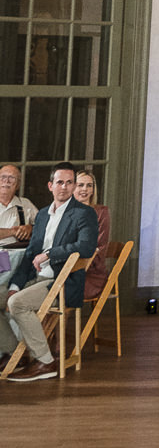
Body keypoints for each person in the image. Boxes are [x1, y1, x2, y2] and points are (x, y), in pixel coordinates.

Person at [0, 162, 98, 382]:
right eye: (60, 182)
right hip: (34, 278)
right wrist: (14, 287)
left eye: (69, 182)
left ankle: (45, 361)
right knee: (6, 297)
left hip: (60, 282)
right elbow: (30, 254)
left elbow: (86, 247)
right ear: (50, 186)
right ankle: (17, 353)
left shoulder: (84, 214)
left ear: (73, 186)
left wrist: (50, 254)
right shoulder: (43, 214)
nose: (64, 187)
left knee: (18, 304)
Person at [72, 169, 112, 303]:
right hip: (65, 268)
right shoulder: (65, 212)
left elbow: (98, 249)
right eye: (80, 185)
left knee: (59, 289)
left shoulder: (101, 212)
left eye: (89, 185)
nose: (85, 189)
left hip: (90, 273)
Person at [0, 163, 37, 292]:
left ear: (18, 184)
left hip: (20, 256)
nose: (6, 181)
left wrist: (30, 228)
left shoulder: (25, 204)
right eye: (3, 177)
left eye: (12, 178)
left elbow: (43, 227)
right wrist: (13, 231)